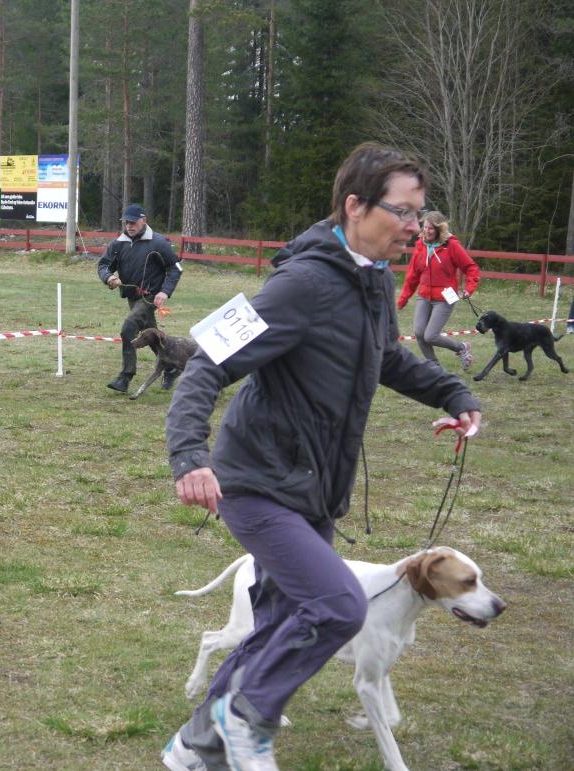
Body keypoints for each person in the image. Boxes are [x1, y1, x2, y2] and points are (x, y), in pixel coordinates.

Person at [160, 143, 482, 771]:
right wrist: (188, 455)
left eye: (422, 213)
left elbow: (385, 358)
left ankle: (195, 748)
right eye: (404, 211)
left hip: (315, 490)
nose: (416, 226)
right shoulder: (298, 283)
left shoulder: (374, 279)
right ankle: (247, 718)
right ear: (355, 206)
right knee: (338, 604)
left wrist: (453, 392)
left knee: (278, 623)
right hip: (255, 483)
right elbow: (207, 362)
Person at [97, 203, 183, 393]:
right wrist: (109, 277)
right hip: (132, 297)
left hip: (150, 297)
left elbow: (175, 269)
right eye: (126, 222)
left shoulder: (158, 243)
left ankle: (125, 377)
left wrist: (164, 292)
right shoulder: (117, 244)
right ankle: (170, 367)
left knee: (128, 327)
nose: (129, 226)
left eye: (133, 222)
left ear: (144, 221)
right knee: (152, 337)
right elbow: (103, 265)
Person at [397, 210, 480, 370]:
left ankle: (461, 348)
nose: (426, 231)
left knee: (430, 335)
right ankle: (435, 369)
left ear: (439, 230)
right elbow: (413, 275)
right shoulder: (420, 245)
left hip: (445, 297)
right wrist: (403, 299)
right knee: (420, 333)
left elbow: (471, 268)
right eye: (424, 227)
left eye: (430, 228)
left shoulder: (452, 246)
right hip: (424, 295)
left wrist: (469, 288)